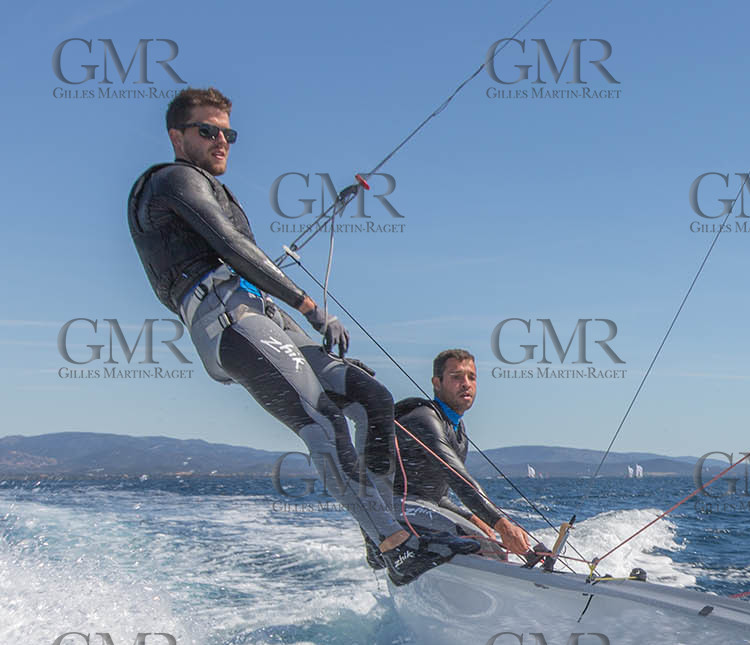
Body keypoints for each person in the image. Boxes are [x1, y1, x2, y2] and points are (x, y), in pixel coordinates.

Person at [127, 86, 477, 584]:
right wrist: (309, 305)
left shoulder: (212, 186)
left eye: (228, 133)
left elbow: (245, 255)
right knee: (323, 418)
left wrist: (290, 308)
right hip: (224, 318)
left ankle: (384, 529)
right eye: (208, 131)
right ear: (176, 136)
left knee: (372, 398)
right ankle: (394, 544)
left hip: (262, 310)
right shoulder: (172, 181)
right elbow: (231, 246)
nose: (221, 141)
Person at [396, 349, 551, 566]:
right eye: (456, 377)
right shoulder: (424, 419)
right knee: (478, 542)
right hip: (394, 512)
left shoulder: (457, 430)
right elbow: (458, 479)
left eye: (472, 377)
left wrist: (472, 517)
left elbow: (436, 495)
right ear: (437, 383)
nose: (466, 383)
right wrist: (503, 525)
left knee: (487, 540)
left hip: (423, 510)